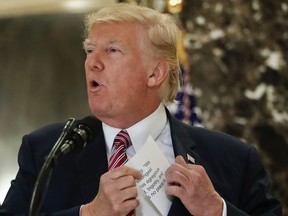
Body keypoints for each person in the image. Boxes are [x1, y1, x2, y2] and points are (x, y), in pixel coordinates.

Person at [0, 3, 282, 216]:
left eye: (112, 51)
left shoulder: (234, 159)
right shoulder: (46, 152)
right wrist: (89, 214)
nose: (92, 63)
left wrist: (215, 210)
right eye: (89, 50)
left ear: (154, 74)